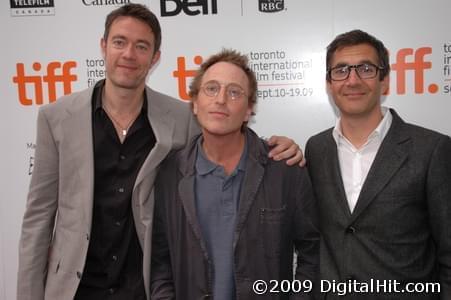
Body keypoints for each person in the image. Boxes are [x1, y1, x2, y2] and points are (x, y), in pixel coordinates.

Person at [17, 4, 304, 300]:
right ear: (104, 47)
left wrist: (278, 145)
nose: (129, 54)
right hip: (75, 288)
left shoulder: (182, 118)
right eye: (119, 42)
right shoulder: (56, 117)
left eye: (141, 46)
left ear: (154, 58)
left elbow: (224, 131)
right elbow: (39, 216)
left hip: (143, 286)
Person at [150, 49, 320, 300]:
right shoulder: (169, 173)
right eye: (211, 88)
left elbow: (312, 254)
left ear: (249, 109)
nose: (221, 100)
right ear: (195, 103)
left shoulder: (284, 170)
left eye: (234, 92)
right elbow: (159, 260)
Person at [305, 29, 451, 299]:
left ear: (384, 81)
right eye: (341, 70)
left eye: (366, 69)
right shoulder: (316, 148)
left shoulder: (432, 150)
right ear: (329, 83)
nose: (353, 80)